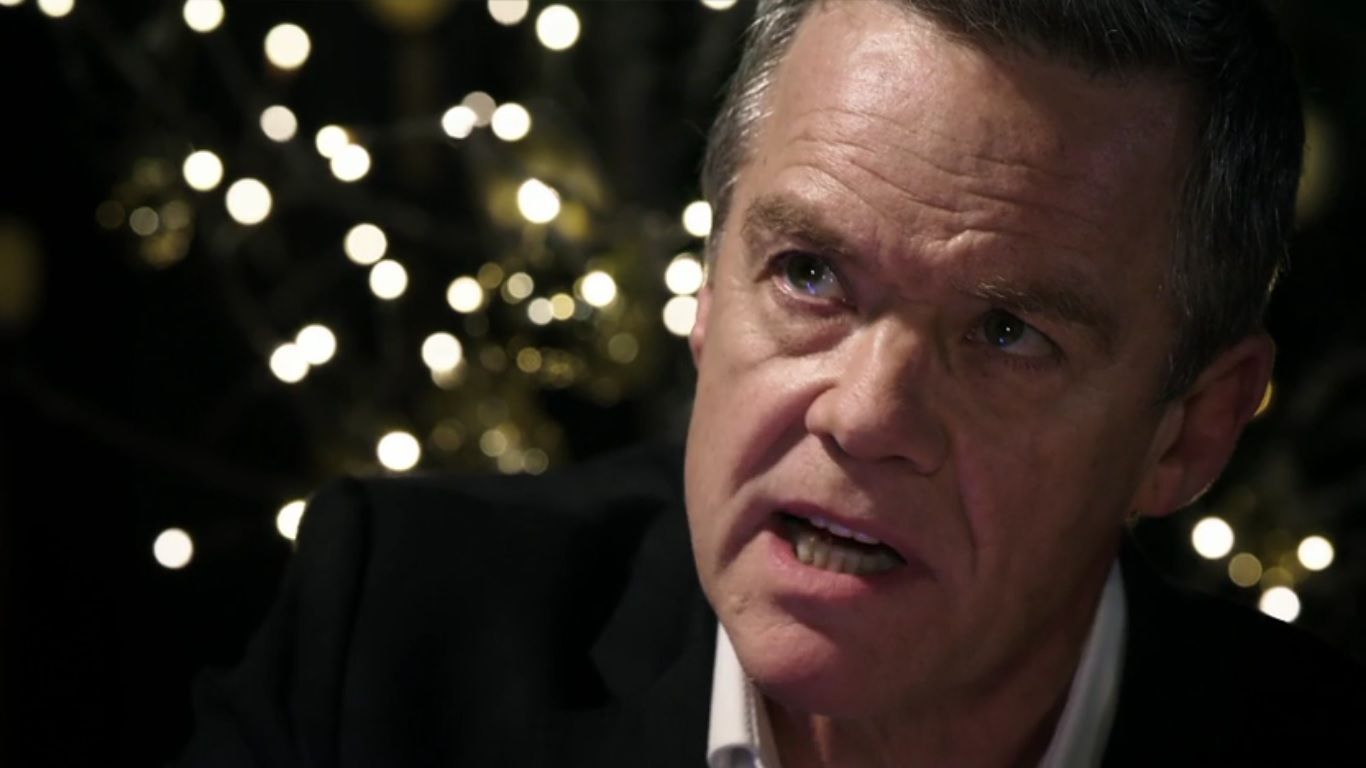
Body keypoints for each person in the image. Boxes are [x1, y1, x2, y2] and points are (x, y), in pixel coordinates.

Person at [178, 1, 1366, 766]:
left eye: (1007, 333)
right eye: (809, 273)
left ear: (1190, 433)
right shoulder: (393, 640)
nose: (864, 414)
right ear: (705, 290)